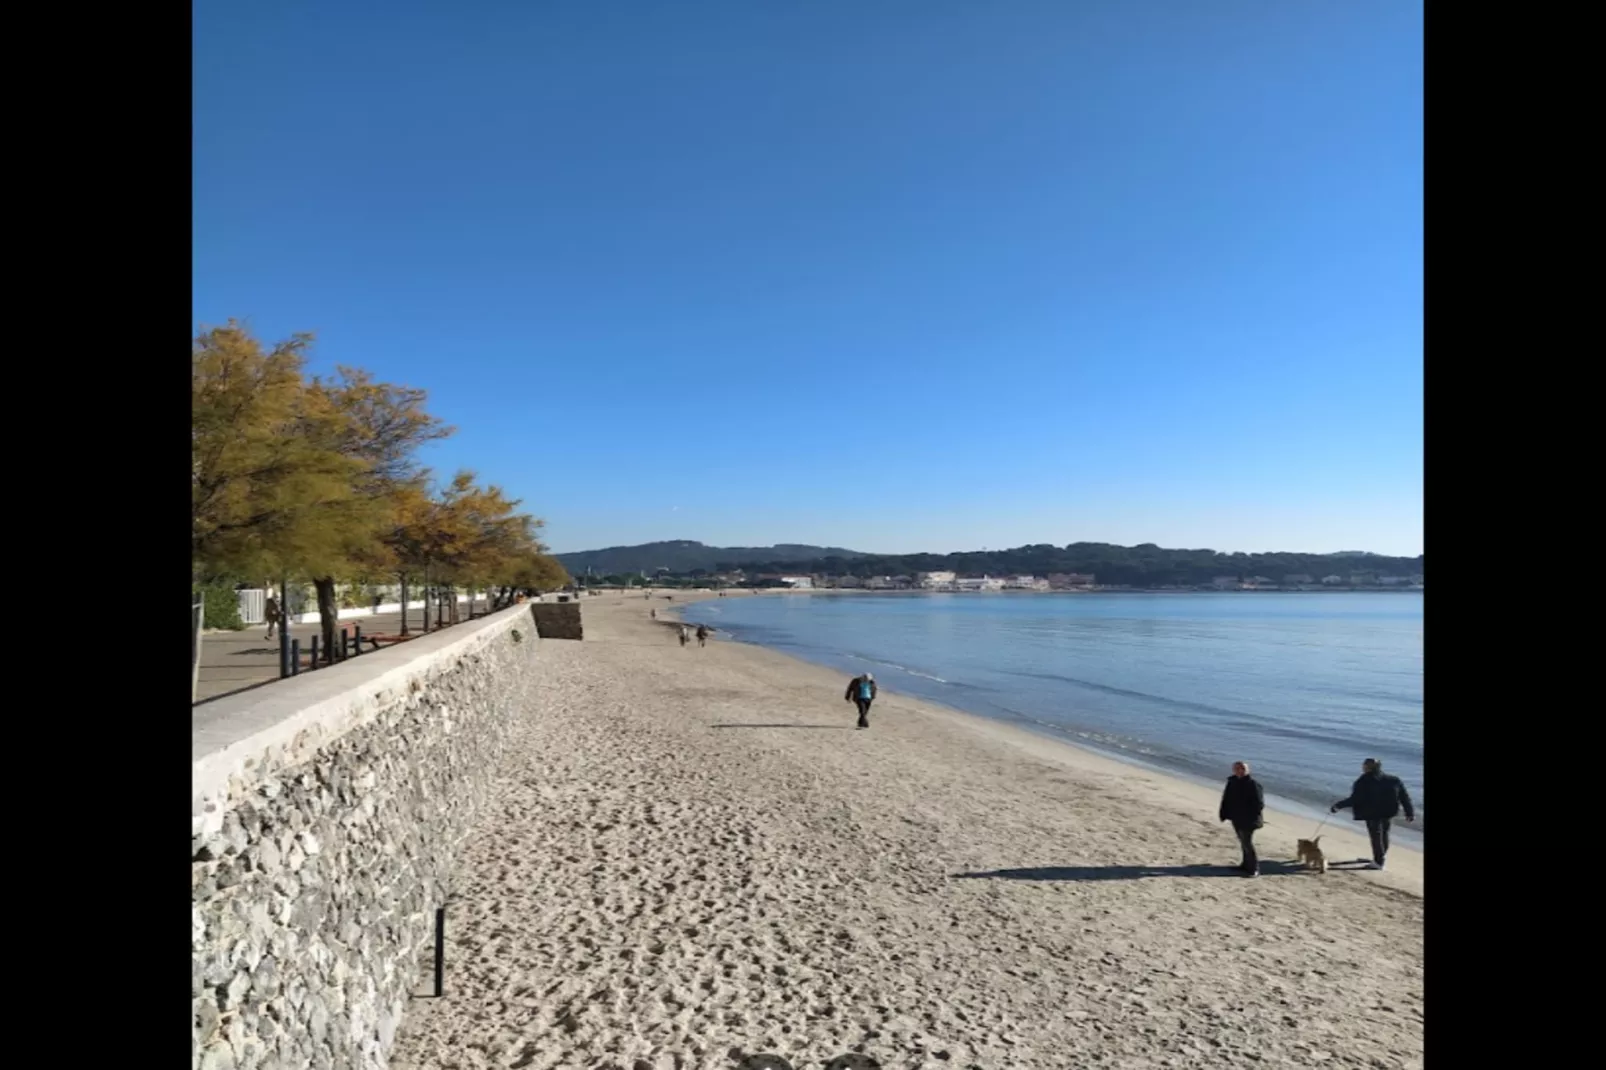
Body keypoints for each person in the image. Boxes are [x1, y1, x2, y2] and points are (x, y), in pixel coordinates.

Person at [1331, 758, 1415, 870]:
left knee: (1376, 836)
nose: (1363, 767)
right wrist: (1409, 812)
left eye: (1364, 765)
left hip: (1372, 813)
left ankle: (1379, 862)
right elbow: (1404, 797)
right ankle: (1380, 858)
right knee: (1384, 834)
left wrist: (1338, 806)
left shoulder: (1363, 781)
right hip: (1388, 812)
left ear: (1367, 767)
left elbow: (1355, 799)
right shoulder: (1394, 780)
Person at [1218, 760, 1265, 876]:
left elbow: (1259, 804)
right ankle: (1245, 864)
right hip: (1236, 817)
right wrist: (1223, 813)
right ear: (1233, 770)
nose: (1240, 771)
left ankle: (1254, 868)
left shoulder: (1253, 784)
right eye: (1237, 768)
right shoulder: (1232, 781)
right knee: (1243, 842)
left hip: (1249, 820)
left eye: (1242, 768)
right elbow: (1226, 798)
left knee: (1247, 843)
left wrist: (1248, 814)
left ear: (1247, 770)